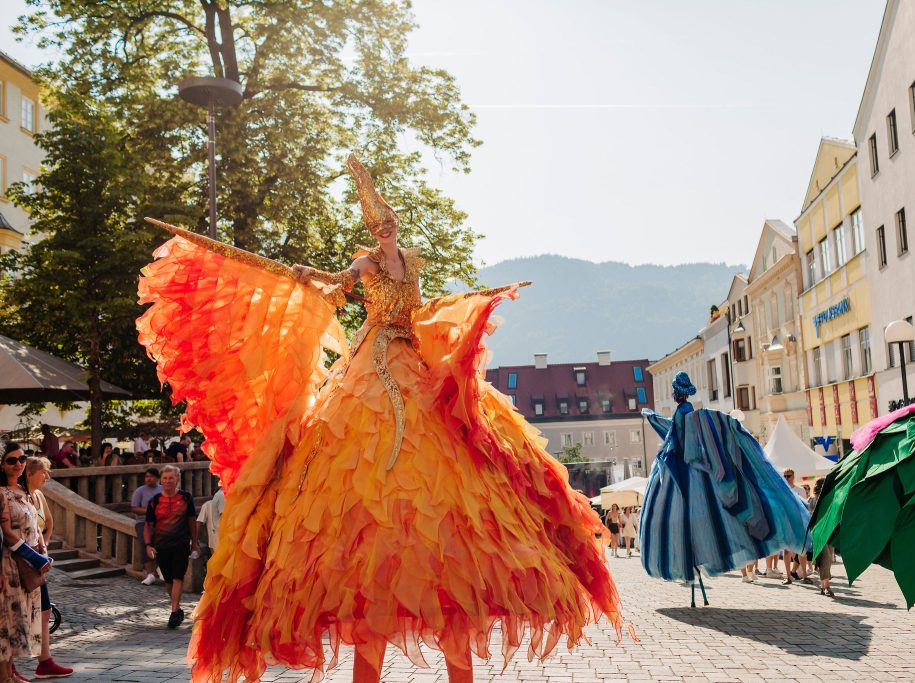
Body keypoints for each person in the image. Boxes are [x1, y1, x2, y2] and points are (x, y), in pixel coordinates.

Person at [136, 155, 625, 683]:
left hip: (410, 359)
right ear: (371, 228)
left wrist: (476, 299)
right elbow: (336, 285)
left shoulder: (410, 263)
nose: (384, 229)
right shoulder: (366, 263)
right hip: (370, 367)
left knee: (449, 474)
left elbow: (421, 308)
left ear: (395, 225)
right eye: (377, 224)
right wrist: (310, 276)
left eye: (388, 222)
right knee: (360, 476)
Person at [637, 372, 811, 588]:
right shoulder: (685, 410)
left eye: (673, 391)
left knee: (675, 511)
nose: (672, 394)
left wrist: (657, 421)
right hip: (681, 460)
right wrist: (655, 419)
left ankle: (694, 555)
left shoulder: (685, 410)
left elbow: (680, 435)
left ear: (677, 393)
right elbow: (677, 431)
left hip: (684, 464)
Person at [0, 443, 52, 683]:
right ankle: (4, 675)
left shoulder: (23, 490)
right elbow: (7, 532)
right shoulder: (1, 492)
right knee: (7, 621)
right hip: (11, 564)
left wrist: (41, 545)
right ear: (2, 465)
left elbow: (36, 523)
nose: (18, 464)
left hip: (29, 562)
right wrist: (34, 556)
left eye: (21, 459)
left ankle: (11, 672)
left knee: (21, 618)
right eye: (11, 460)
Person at [23, 457, 74, 678]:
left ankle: (44, 660)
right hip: (21, 560)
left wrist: (43, 549)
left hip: (38, 562)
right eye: (43, 472)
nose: (47, 476)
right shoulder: (15, 494)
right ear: (29, 474)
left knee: (44, 611)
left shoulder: (39, 495)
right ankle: (10, 664)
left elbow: (49, 524)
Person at [143, 465, 199, 629]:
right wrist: (148, 545)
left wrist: (194, 542)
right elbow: (148, 525)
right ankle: (178, 608)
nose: (168, 481)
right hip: (162, 544)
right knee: (168, 580)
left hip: (181, 543)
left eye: (171, 478)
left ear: (177, 480)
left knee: (177, 577)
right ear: (161, 480)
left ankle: (174, 611)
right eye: (165, 478)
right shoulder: (154, 501)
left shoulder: (186, 498)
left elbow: (192, 521)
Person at [131, 468, 162, 585]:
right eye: (147, 476)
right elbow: (134, 508)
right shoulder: (140, 491)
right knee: (146, 543)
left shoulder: (163, 489)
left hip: (161, 522)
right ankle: (150, 574)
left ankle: (160, 568)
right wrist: (150, 511)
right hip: (143, 522)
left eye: (151, 476)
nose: (149, 479)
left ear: (157, 478)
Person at [782, 468, 812, 585]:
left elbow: (805, 509)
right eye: (784, 476)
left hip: (799, 523)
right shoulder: (781, 490)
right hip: (786, 523)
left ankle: (804, 576)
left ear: (793, 476)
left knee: (802, 551)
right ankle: (788, 576)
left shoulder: (800, 490)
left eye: (788, 476)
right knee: (786, 551)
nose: (786, 478)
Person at [808, 478, 834, 598]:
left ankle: (824, 585)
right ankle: (826, 585)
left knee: (828, 560)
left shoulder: (831, 498)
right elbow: (810, 516)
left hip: (829, 532)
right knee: (825, 557)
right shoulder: (813, 500)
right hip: (818, 533)